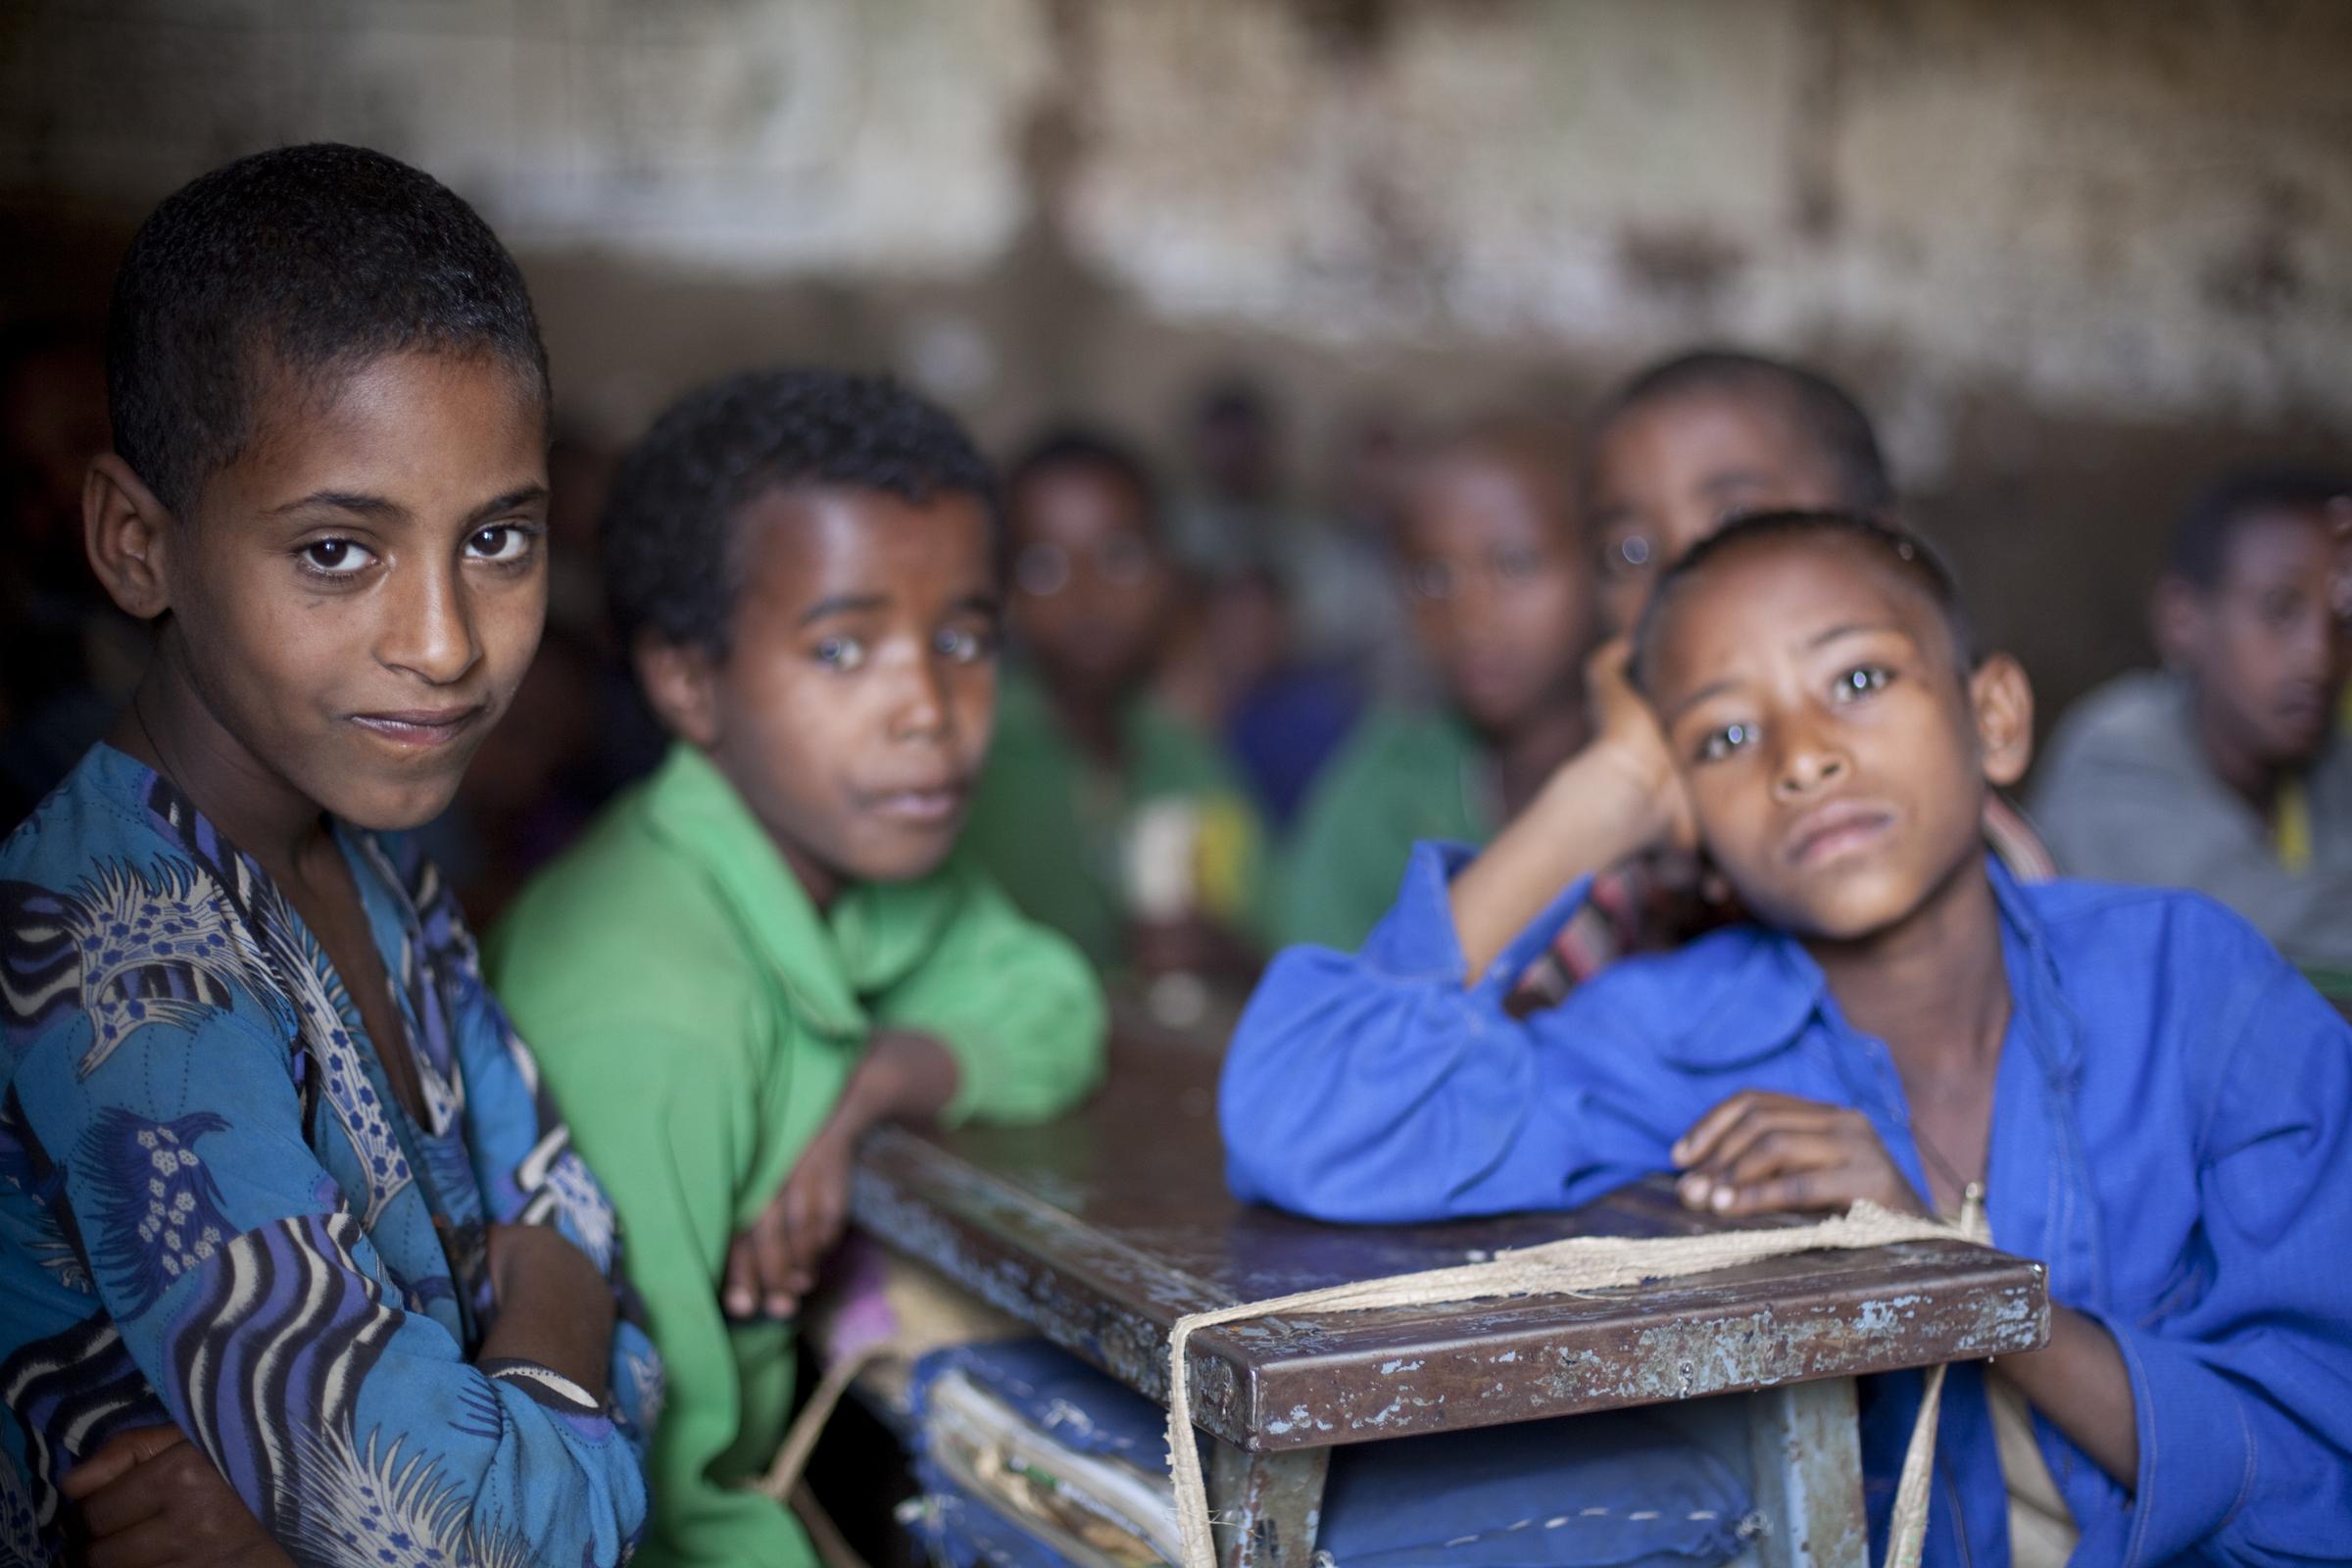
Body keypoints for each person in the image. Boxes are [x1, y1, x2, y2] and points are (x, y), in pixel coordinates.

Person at [1223, 512, 2352, 1567]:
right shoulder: (1686, 1041)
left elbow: (2318, 1482)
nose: (1801, 757)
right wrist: (1605, 790)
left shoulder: (2195, 989)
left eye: (1858, 679)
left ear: (1994, 718)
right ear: (1697, 834)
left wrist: (1941, 1273)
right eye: (1724, 736)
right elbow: (1304, 1116)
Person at [0, 145, 657, 1565]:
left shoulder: (371, 861)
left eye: (496, 538)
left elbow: (609, 1278)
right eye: (336, 553)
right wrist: (547, 1330)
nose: (445, 643)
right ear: (136, 544)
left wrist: (520, 1345)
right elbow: (474, 1525)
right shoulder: (124, 965)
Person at [486, 369, 1106, 1568]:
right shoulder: (647, 1013)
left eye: (964, 637)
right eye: (842, 648)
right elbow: (654, 1493)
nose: (927, 706)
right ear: (687, 680)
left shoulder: (853, 856)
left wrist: (876, 1076)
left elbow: (1055, 1001)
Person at [1275, 420, 1598, 951]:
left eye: (1514, 564)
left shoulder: (1673, 784)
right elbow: (1320, 987)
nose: (1469, 619)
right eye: (1432, 579)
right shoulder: (1389, 787)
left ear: (1601, 563)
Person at [960, 428, 1266, 976]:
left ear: (1167, 573)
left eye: (1120, 557)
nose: (1088, 596)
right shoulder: (972, 760)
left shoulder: (1184, 759)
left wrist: (1223, 952)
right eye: (1043, 568)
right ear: (1001, 592)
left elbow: (1273, 922)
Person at [2033, 468, 2352, 973]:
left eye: (2344, 622)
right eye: (2281, 609)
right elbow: (2259, 930)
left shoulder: (2330, 765)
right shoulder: (2113, 760)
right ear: (2182, 618)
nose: (2320, 656)